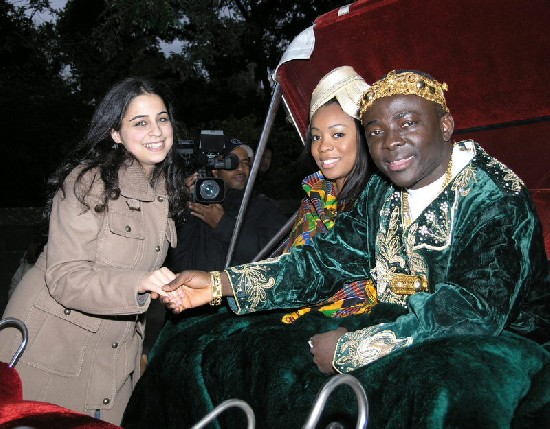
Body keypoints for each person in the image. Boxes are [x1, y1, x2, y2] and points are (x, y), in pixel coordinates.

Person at [163, 69, 549, 372]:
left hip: (503, 347)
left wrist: (351, 350)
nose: (390, 142)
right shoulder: (383, 191)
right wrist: (220, 283)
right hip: (401, 329)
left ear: (445, 126)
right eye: (376, 131)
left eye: (408, 123)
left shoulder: (494, 198)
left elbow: (472, 313)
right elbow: (323, 260)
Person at [121, 66, 384, 428]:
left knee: (239, 356)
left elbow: (311, 265)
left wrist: (219, 264)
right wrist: (212, 280)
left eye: (338, 134)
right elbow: (293, 263)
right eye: (317, 137)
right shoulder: (315, 194)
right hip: (282, 299)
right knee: (185, 340)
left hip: (342, 314)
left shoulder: (378, 196)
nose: (324, 148)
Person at [0, 77, 187, 424]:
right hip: (52, 350)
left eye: (162, 119)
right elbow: (66, 279)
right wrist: (140, 282)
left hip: (114, 356)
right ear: (115, 133)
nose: (157, 131)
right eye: (140, 122)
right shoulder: (89, 182)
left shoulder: (163, 188)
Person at [165, 138, 288, 272]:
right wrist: (181, 200)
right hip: (193, 290)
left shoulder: (264, 208)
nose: (240, 169)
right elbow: (175, 256)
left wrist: (223, 224)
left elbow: (276, 256)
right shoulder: (197, 205)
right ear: (215, 170)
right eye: (231, 162)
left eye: (245, 163)